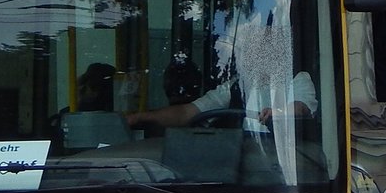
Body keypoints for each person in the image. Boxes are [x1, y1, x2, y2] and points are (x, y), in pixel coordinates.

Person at [127, 69, 317, 131]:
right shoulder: (236, 85)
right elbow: (187, 112)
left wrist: (279, 113)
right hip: (239, 160)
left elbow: (300, 108)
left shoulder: (297, 78)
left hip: (282, 164)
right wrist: (141, 117)